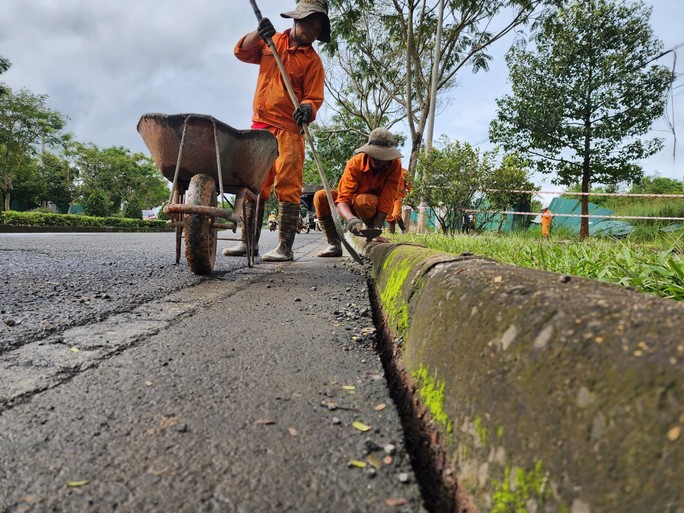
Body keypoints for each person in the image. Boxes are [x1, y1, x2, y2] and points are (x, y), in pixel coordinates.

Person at [223, 0, 329, 262]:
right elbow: (241, 52)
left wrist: (306, 108)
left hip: (290, 130)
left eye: (318, 29)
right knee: (252, 185)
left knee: (288, 186)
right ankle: (248, 243)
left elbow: (314, 97)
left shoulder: (313, 62)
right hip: (261, 126)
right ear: (297, 19)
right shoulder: (272, 43)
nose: (313, 32)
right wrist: (258, 32)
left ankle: (285, 247)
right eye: (310, 24)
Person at [313, 128, 403, 257]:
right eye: (376, 155)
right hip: (351, 208)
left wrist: (375, 231)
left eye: (384, 157)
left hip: (371, 208)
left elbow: (387, 200)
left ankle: (369, 228)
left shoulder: (395, 165)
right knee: (321, 196)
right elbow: (343, 199)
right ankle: (334, 244)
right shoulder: (355, 163)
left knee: (364, 200)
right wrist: (351, 220)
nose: (380, 160)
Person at [386, 167, 411, 234]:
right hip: (388, 196)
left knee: (396, 214)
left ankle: (403, 229)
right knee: (389, 217)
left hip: (398, 197)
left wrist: (410, 195)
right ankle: (391, 233)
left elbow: (409, 185)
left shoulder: (404, 172)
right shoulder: (385, 171)